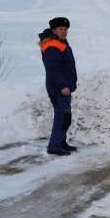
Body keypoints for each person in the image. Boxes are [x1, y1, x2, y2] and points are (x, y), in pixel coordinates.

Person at [39, 17, 78, 156]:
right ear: (54, 30)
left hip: (64, 86)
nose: (64, 31)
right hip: (58, 88)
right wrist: (62, 85)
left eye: (65, 29)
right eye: (61, 29)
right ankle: (54, 146)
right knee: (61, 117)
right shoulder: (52, 46)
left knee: (66, 117)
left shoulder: (60, 43)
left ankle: (61, 142)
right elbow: (52, 69)